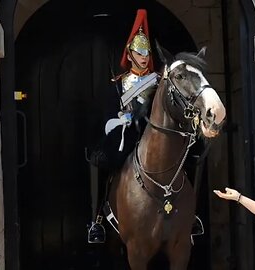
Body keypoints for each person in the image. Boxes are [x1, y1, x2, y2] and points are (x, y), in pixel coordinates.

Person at [87, 9, 159, 244]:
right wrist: (121, 120)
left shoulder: (158, 83)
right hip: (126, 135)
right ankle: (97, 220)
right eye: (140, 51)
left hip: (152, 133)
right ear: (130, 54)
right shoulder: (119, 85)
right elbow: (107, 116)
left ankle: (191, 218)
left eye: (147, 52)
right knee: (102, 160)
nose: (145, 56)